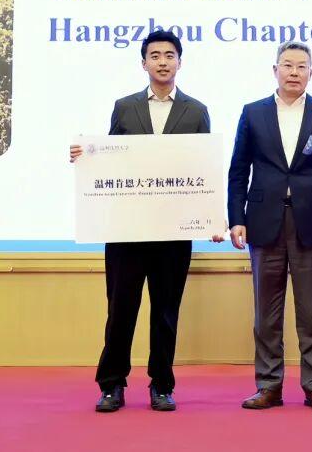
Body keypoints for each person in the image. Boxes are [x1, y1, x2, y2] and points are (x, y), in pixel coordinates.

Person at [69, 31, 217, 413]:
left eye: (169, 55)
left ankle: (162, 386)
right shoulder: (124, 107)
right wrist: (86, 157)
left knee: (165, 313)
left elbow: (204, 168)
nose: (162, 61)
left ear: (180, 62)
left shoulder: (196, 111)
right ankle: (111, 385)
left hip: (173, 231)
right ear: (144, 63)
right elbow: (110, 159)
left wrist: (212, 216)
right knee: (120, 311)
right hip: (126, 230)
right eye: (155, 55)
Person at [228, 42, 312, 411]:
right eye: (287, 65)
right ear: (275, 70)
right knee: (266, 313)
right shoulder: (253, 113)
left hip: (311, 223)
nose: (294, 72)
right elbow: (238, 171)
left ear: (311, 72)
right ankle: (268, 385)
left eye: (301, 66)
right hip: (263, 221)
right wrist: (236, 218)